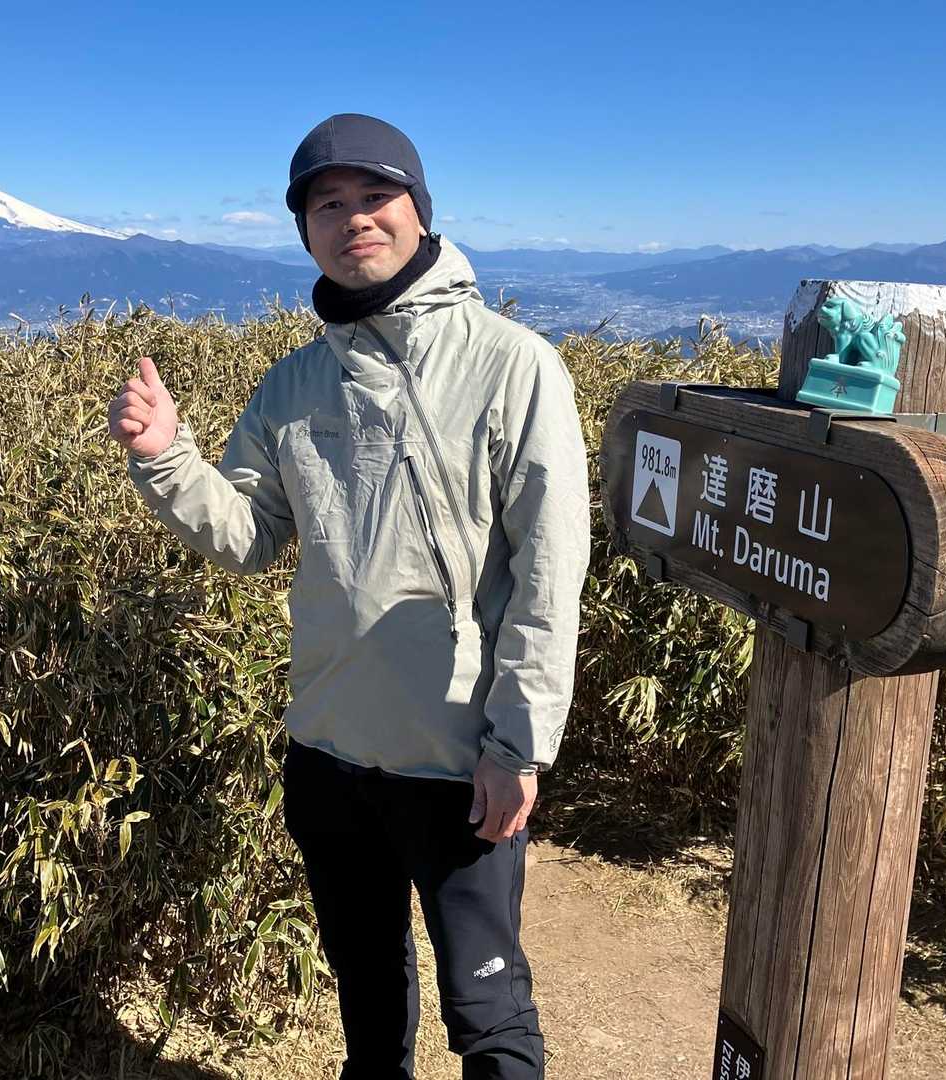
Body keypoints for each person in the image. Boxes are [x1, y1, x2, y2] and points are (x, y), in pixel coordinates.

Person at [110, 113, 590, 1080]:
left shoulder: (511, 363)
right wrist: (167, 459)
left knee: (488, 1013)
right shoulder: (295, 383)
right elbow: (249, 536)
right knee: (365, 988)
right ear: (305, 232)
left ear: (420, 211)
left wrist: (518, 747)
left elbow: (549, 573)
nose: (353, 219)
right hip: (327, 747)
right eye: (327, 205)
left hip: (458, 756)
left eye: (376, 196)